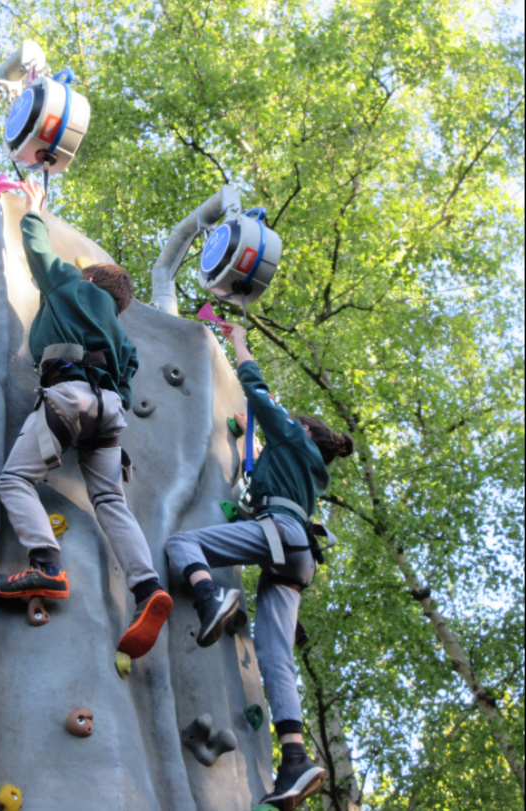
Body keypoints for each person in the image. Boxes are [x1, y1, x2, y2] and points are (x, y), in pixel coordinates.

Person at [165, 322, 354, 811]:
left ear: (304, 429)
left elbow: (256, 389)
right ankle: (295, 759)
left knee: (184, 545)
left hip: (282, 534)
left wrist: (240, 341)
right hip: (296, 560)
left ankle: (211, 599)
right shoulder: (303, 468)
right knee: (276, 660)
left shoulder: (294, 439)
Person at [0, 180, 172, 660]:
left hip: (67, 394)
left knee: (14, 479)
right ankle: (146, 588)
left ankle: (47, 564)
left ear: (91, 280)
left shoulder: (72, 286)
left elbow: (36, 250)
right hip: (110, 413)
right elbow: (128, 393)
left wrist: (33, 210)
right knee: (111, 501)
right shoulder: (122, 335)